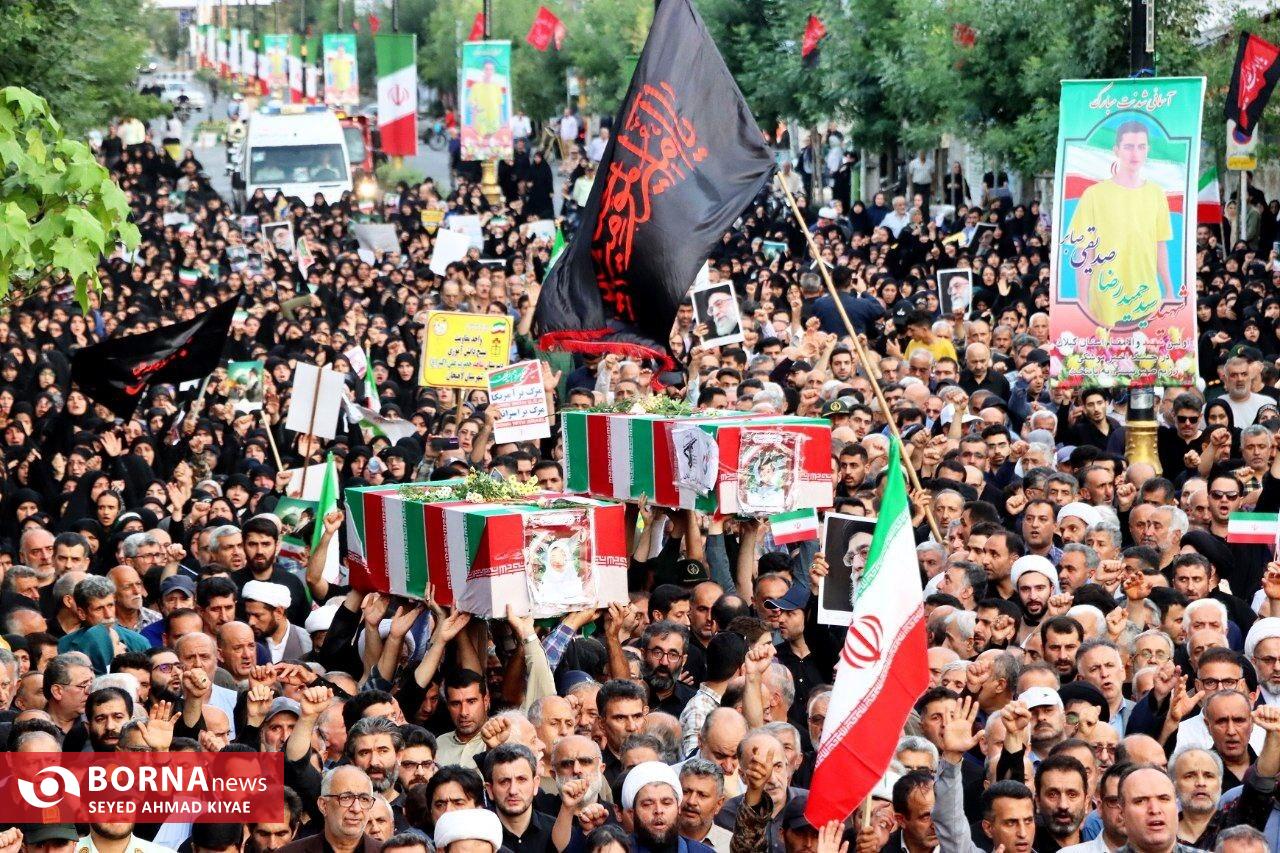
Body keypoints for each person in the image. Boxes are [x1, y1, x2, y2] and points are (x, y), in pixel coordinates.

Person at [1064, 120, 1173, 328]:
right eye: (1129, 146)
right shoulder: (1094, 195)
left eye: (1141, 147)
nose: (1135, 153)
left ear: (1147, 150)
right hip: (1106, 303)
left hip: (1148, 301)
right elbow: (1085, 252)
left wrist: (1169, 289)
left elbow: (1160, 245)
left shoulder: (1156, 194)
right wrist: (1083, 302)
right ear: (1116, 150)